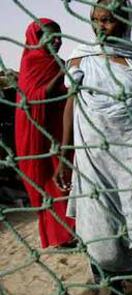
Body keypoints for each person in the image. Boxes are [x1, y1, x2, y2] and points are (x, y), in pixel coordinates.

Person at [55, 0, 132, 295]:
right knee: (99, 218)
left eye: (107, 20)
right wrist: (65, 156)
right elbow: (71, 107)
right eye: (95, 20)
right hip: (93, 154)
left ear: (124, 20)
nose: (100, 27)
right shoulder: (81, 58)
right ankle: (109, 277)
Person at [15, 18, 75, 248]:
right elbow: (33, 99)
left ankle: (72, 232)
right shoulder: (32, 62)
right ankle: (59, 237)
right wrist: (62, 74)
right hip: (38, 135)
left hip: (61, 132)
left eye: (60, 37)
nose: (58, 41)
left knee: (67, 182)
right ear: (36, 38)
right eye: (52, 37)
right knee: (49, 185)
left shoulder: (58, 62)